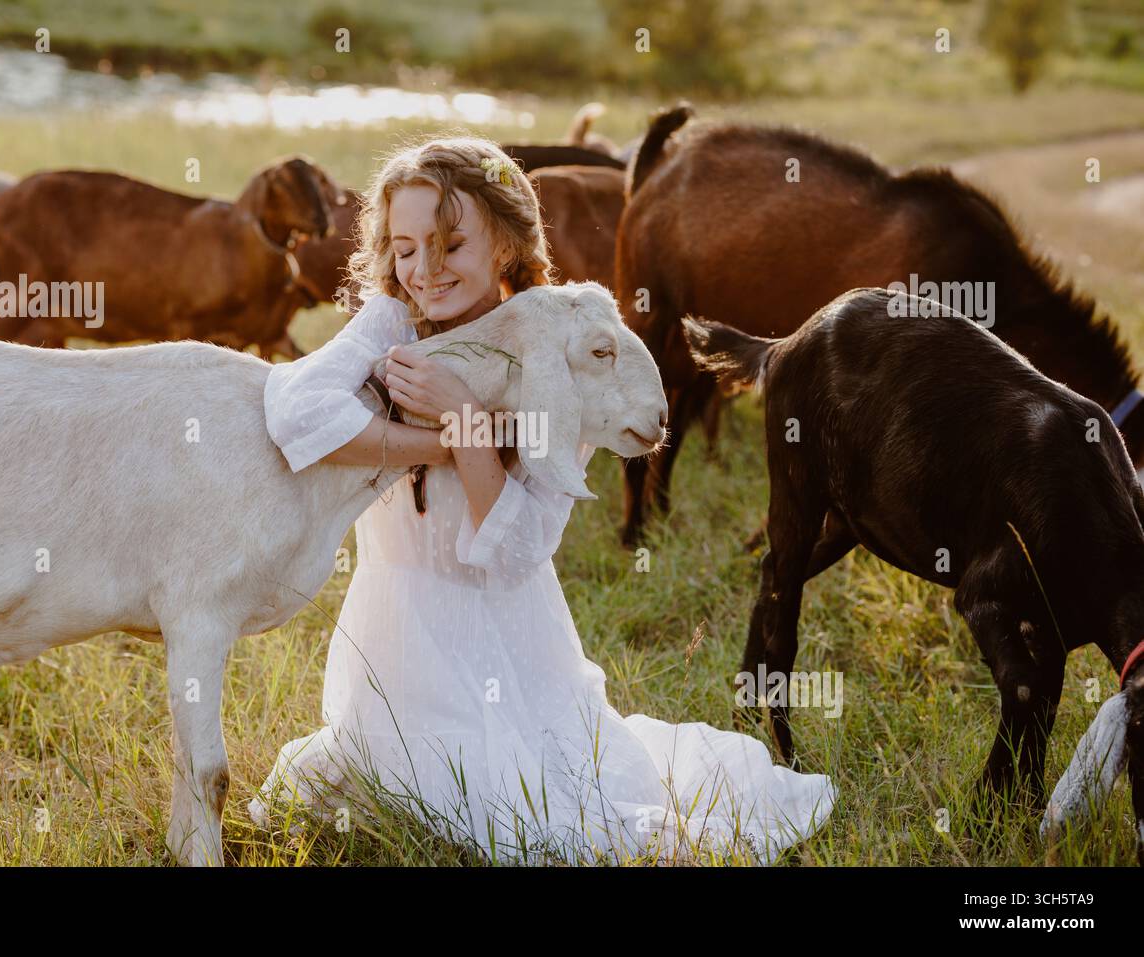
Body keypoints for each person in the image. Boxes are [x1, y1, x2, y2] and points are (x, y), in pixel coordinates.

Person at [250, 136, 836, 864]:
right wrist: (444, 441)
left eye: (450, 244)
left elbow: (521, 550)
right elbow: (296, 416)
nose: (424, 271)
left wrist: (468, 420)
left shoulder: (560, 349)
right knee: (361, 792)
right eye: (404, 248)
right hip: (390, 639)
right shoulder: (390, 326)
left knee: (533, 821)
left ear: (506, 243)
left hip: (505, 644)